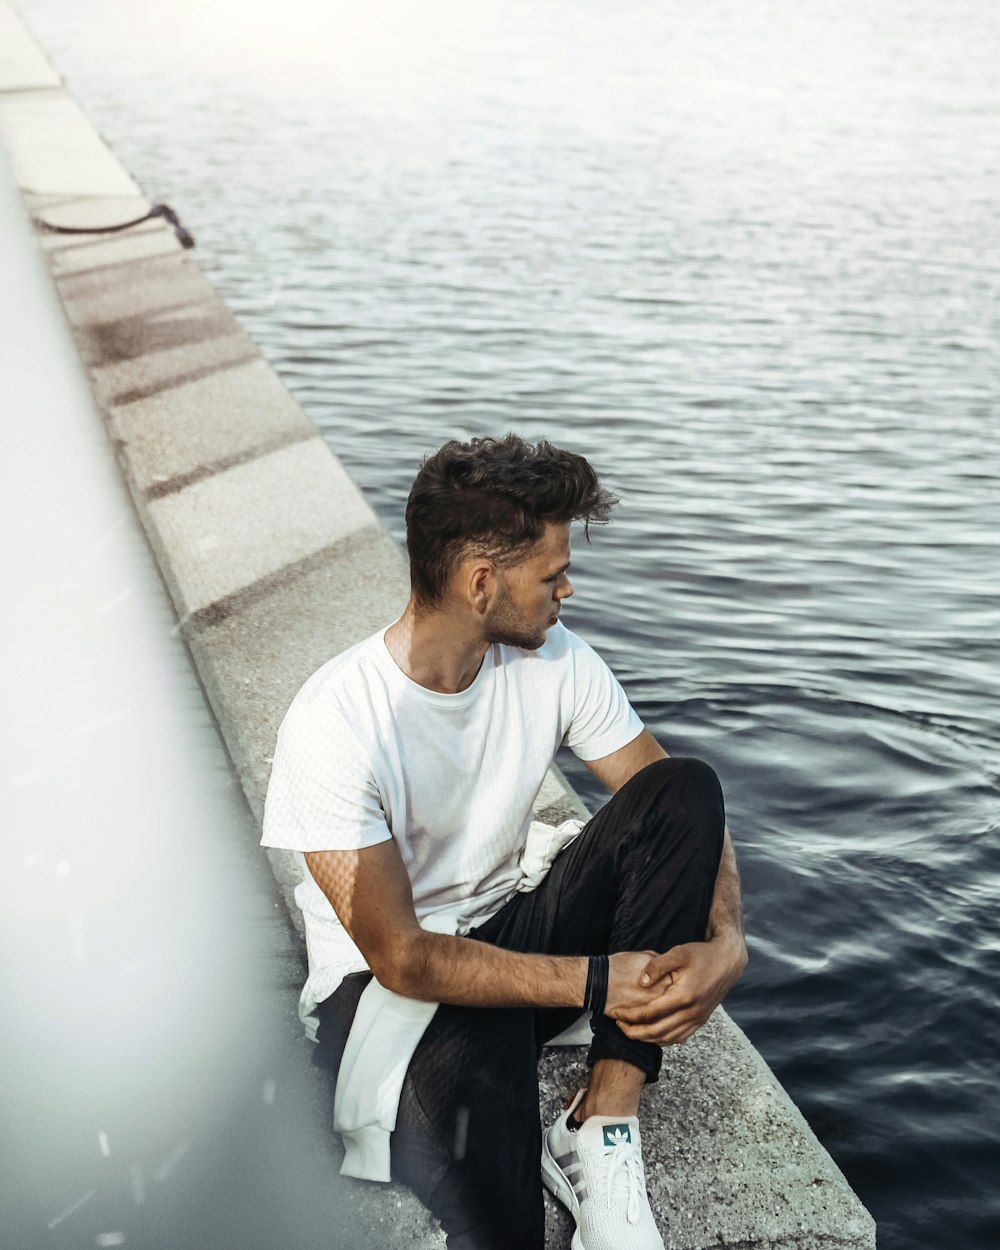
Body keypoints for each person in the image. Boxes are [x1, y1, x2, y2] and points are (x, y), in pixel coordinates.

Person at [261, 433, 747, 1250]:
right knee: (505, 1216)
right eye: (552, 574)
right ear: (481, 583)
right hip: (392, 999)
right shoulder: (336, 723)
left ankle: (602, 1122)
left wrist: (727, 942)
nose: (568, 588)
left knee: (686, 786)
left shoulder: (556, 661)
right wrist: (599, 980)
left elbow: (678, 812)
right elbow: (403, 958)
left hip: (508, 935)